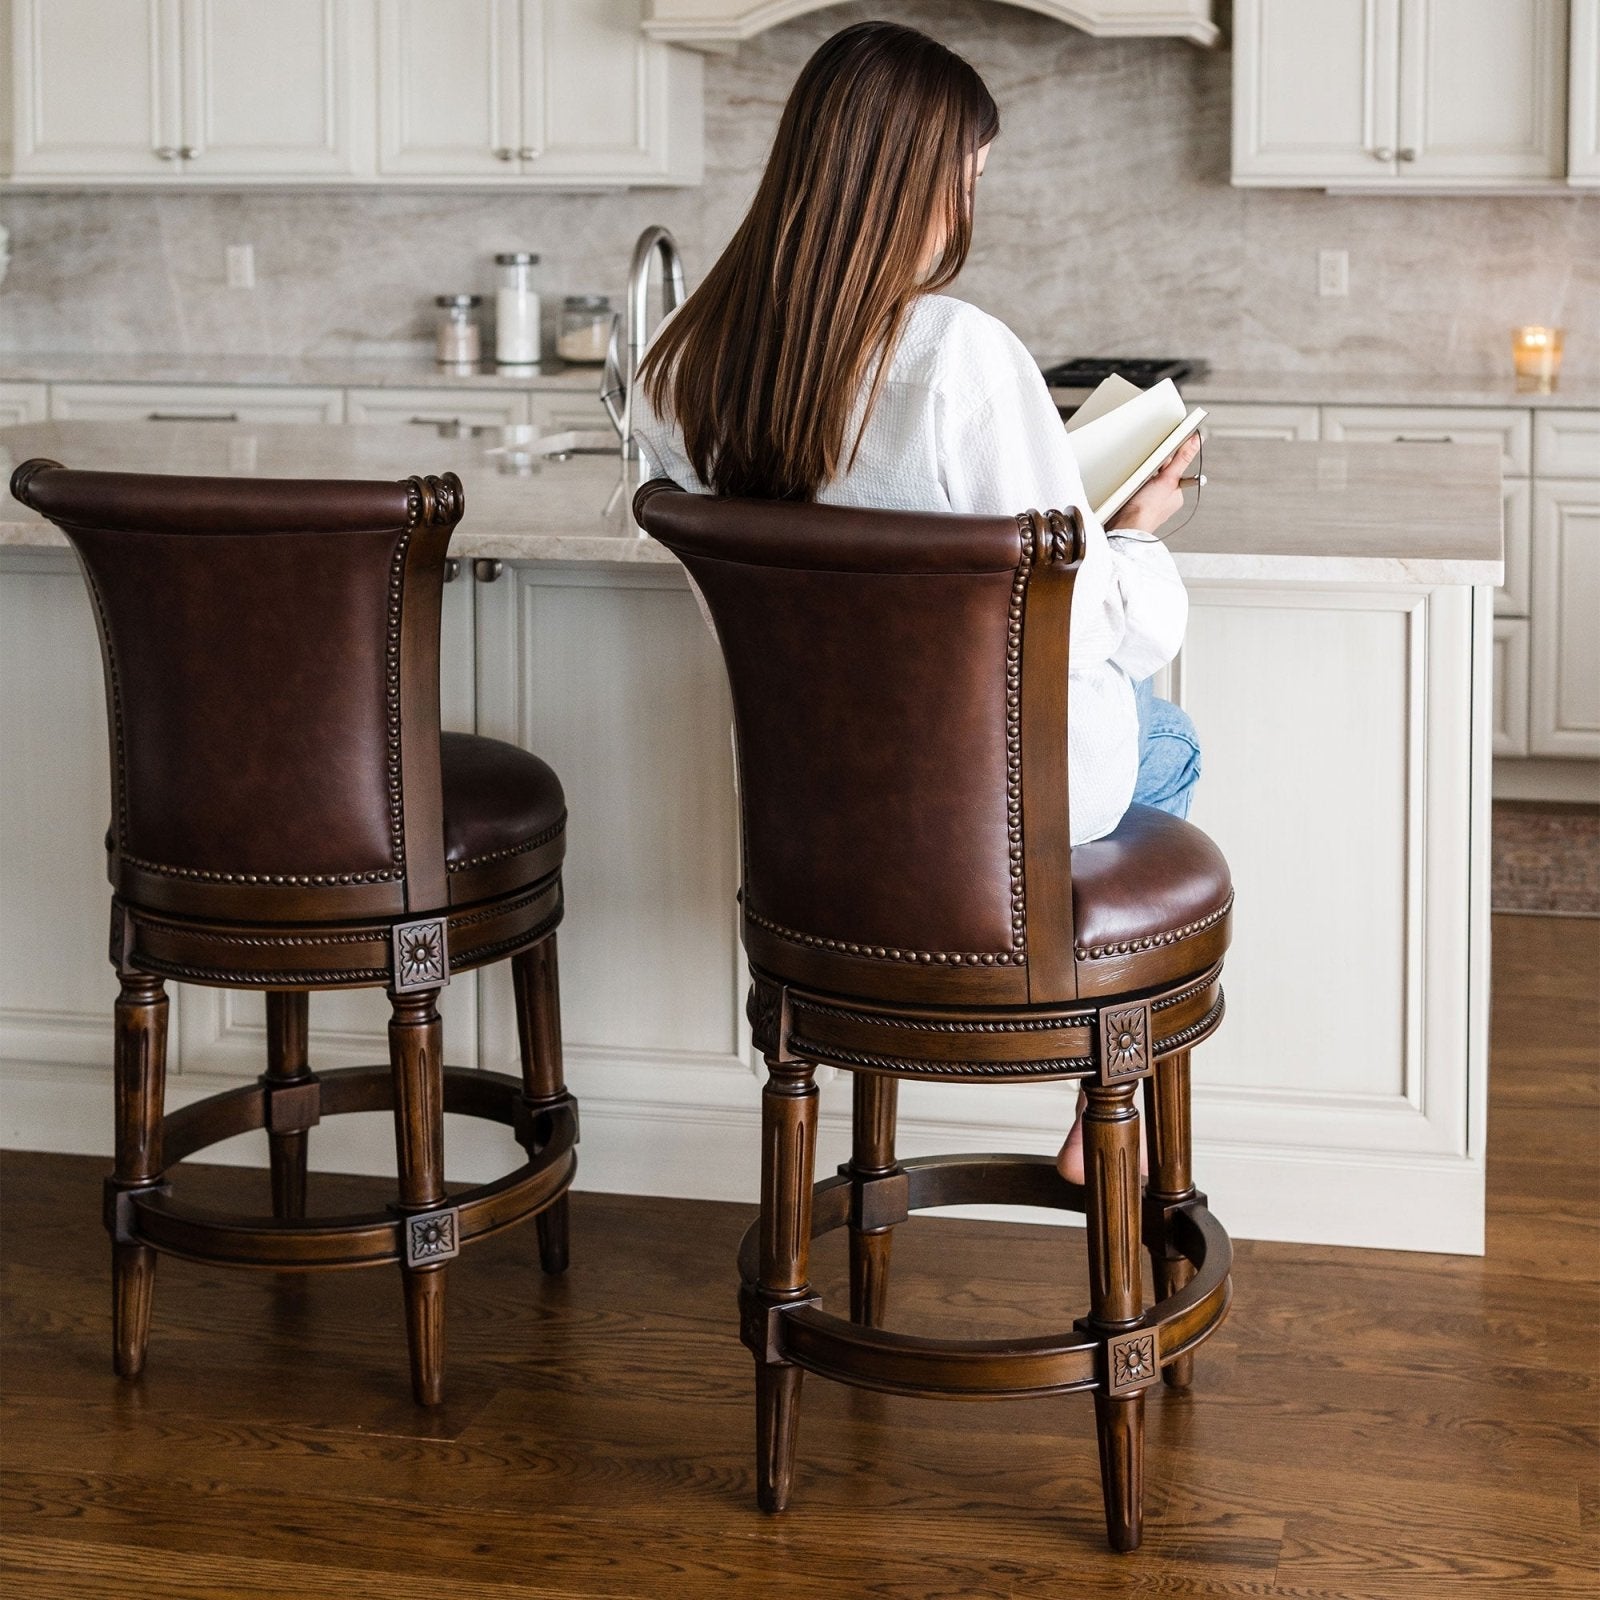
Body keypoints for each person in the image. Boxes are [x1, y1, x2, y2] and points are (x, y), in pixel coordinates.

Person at [632, 20, 1201, 1187]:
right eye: (970, 179)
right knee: (1171, 738)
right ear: (916, 180)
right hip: (986, 821)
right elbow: (1089, 619)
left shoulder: (683, 363)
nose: (968, 207)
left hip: (815, 824)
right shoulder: (956, 355)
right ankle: (1109, 1091)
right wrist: (1134, 535)